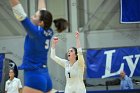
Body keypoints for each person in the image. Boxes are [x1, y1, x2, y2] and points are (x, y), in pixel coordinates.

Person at [9, 0, 68, 93]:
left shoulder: (35, 32)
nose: (32, 16)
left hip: (34, 77)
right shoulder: (48, 31)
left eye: (35, 16)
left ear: (40, 22)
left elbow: (20, 13)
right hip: (45, 77)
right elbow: (42, 11)